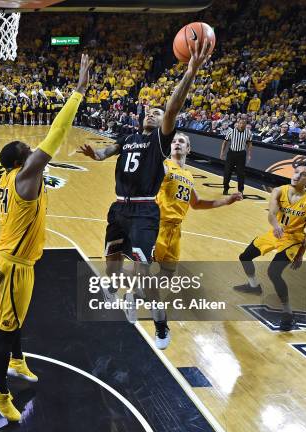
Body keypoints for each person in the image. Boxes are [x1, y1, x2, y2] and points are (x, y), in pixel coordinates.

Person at [76, 39, 212, 343]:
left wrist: (189, 72)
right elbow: (104, 153)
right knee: (112, 259)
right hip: (119, 207)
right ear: (141, 117)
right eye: (149, 111)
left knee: (141, 266)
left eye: (158, 112)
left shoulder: (160, 141)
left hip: (145, 209)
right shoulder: (126, 138)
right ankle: (113, 289)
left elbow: (175, 106)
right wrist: (92, 153)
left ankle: (151, 314)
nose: (153, 114)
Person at [0, 54, 91, 422]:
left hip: (12, 260)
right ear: (21, 162)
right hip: (13, 265)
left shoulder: (12, 179)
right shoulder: (25, 177)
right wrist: (77, 92)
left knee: (14, 319)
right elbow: (55, 135)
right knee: (4, 328)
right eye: (28, 151)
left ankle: (17, 360)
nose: (35, 150)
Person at [153, 133, 243, 348]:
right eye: (174, 141)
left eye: (181, 142)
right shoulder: (163, 166)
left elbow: (197, 203)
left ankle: (138, 297)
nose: (176, 144)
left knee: (164, 279)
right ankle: (160, 324)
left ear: (188, 149)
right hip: (157, 227)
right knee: (149, 278)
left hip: (175, 232)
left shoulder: (188, 175)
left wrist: (226, 201)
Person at [233, 162, 306, 330]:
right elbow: (272, 213)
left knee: (273, 272)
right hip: (276, 233)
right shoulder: (279, 190)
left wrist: (301, 252)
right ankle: (254, 286)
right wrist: (276, 225)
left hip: (294, 239)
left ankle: (288, 313)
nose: (297, 175)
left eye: (303, 174)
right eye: (296, 172)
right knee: (244, 256)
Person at [220, 118, 253, 194]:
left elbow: (249, 144)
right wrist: (222, 153)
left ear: (246, 125)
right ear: (238, 123)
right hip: (231, 153)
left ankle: (240, 191)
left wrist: (249, 154)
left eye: (243, 123)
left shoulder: (248, 132)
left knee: (241, 174)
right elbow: (225, 142)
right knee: (227, 172)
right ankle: (226, 188)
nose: (242, 125)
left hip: (241, 154)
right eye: (240, 123)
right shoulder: (231, 131)